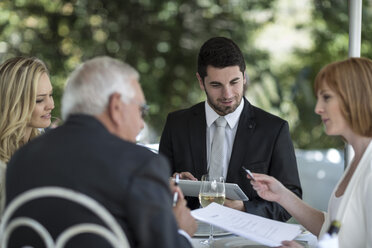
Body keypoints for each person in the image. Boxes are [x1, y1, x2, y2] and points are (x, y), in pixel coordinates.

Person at [5, 56, 197, 247]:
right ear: (115, 106)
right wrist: (181, 232)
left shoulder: (21, 158)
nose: (141, 123)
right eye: (141, 110)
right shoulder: (141, 164)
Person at [159, 36, 302, 221]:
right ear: (201, 82)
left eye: (234, 82)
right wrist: (172, 182)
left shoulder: (274, 130)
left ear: (244, 76)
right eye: (216, 85)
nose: (227, 94)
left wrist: (244, 208)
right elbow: (156, 189)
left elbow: (292, 198)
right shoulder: (176, 124)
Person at [250, 57, 372, 248]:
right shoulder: (359, 161)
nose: (318, 108)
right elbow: (333, 229)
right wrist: (282, 195)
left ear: (355, 97)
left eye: (327, 97)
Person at [0, 56, 54, 216]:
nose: (51, 105)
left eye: (50, 95)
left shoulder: (44, 150)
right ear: (14, 103)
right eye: (39, 100)